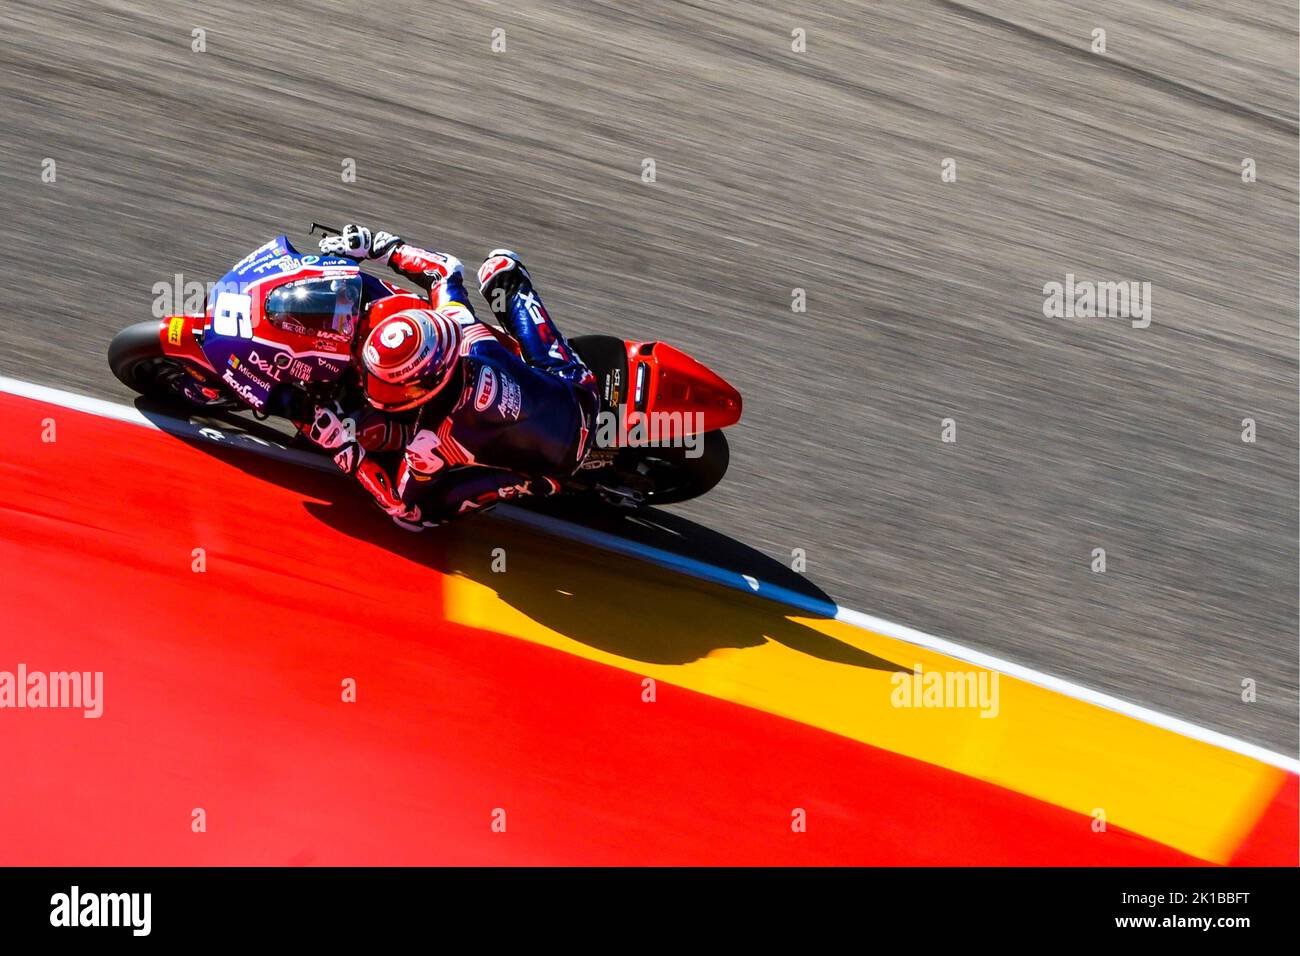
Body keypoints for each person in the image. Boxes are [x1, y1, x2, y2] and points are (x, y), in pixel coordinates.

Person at [303, 224, 599, 530]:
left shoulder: (428, 441)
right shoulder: (461, 326)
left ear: (423, 384)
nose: (372, 385)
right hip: (574, 387)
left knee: (412, 518)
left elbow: (400, 501)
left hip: (553, 463)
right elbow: (445, 270)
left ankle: (530, 484)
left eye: (387, 383)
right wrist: (381, 248)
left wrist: (348, 451)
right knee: (500, 269)